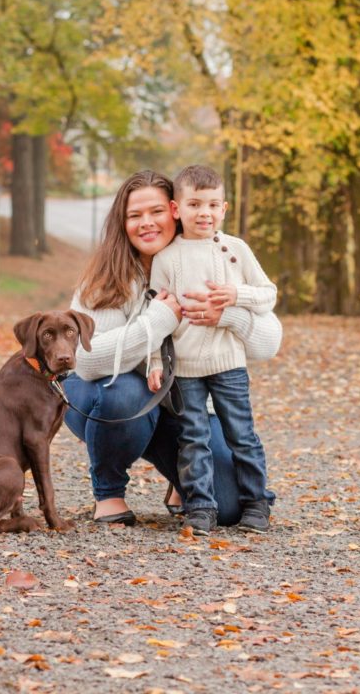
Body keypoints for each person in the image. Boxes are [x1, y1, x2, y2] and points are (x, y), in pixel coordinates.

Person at [63, 169, 282, 527]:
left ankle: (182, 482)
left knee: (229, 507)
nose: (146, 223)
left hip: (184, 404)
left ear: (176, 211)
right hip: (107, 397)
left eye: (156, 212)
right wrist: (159, 320)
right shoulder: (105, 277)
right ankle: (109, 494)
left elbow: (270, 341)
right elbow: (87, 363)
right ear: (123, 222)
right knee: (123, 393)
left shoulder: (217, 255)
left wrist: (227, 315)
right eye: (135, 216)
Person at [147, 164, 278, 535]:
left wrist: (238, 296)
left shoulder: (235, 250)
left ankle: (257, 502)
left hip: (229, 363)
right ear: (177, 209)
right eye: (194, 204)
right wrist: (154, 361)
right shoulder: (167, 258)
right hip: (186, 367)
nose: (204, 213)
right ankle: (200, 506)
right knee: (193, 437)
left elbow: (268, 294)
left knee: (241, 433)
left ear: (224, 208)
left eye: (212, 205)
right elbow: (157, 314)